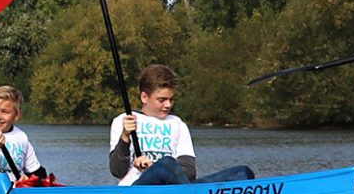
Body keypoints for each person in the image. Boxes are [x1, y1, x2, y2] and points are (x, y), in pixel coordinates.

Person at [109, 65, 255, 186]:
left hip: (176, 187)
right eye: (162, 100)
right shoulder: (123, 120)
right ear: (144, 97)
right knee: (166, 163)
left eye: (171, 99)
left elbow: (189, 170)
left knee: (242, 172)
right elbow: (117, 171)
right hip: (138, 190)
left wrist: (152, 165)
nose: (168, 105)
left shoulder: (178, 124)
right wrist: (125, 137)